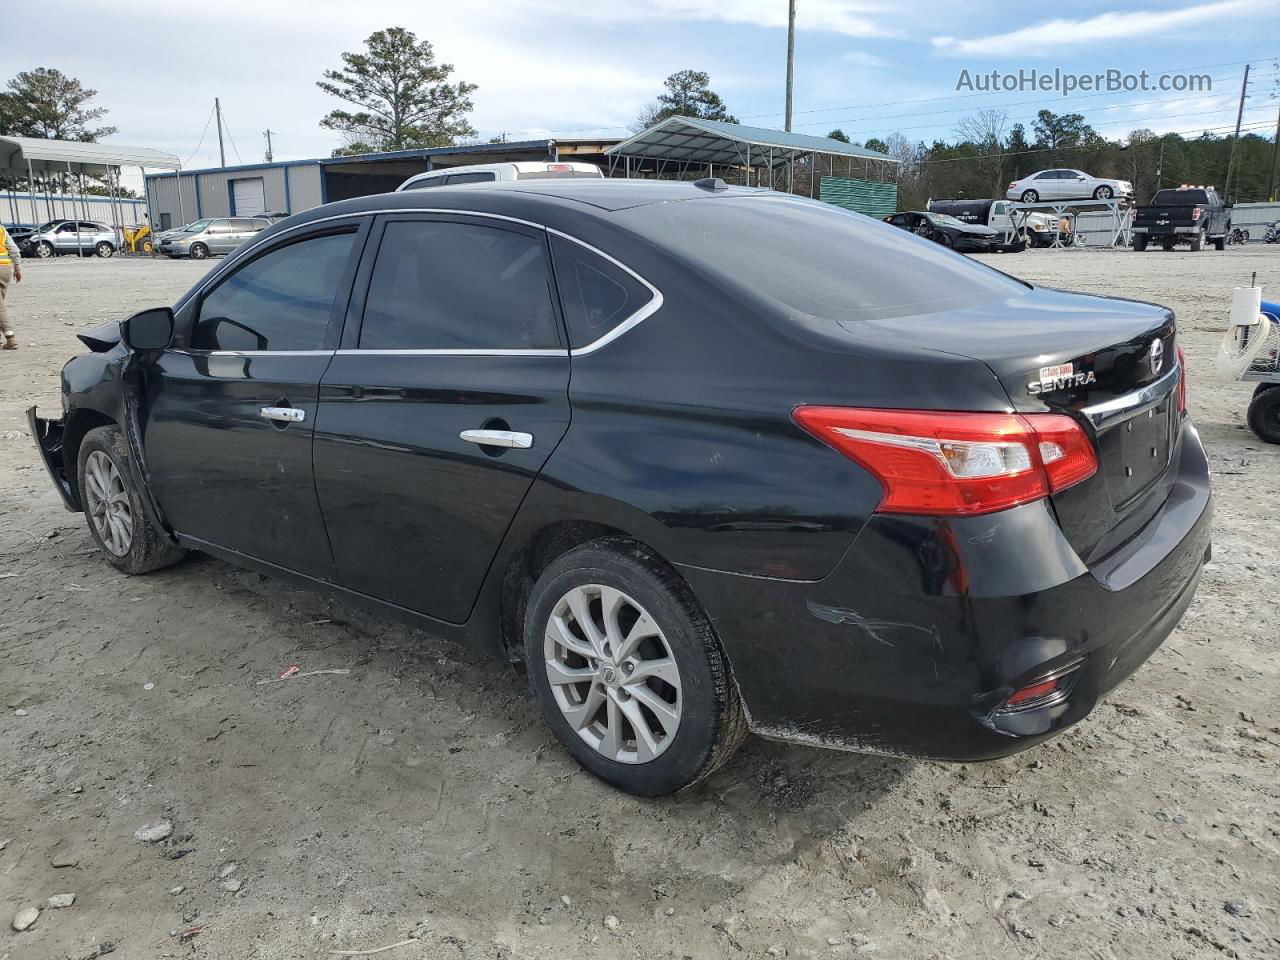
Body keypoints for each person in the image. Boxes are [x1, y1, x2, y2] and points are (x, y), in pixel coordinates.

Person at [0, 222, 21, 349]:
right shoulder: (1, 229)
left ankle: (10, 336)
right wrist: (17, 267)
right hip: (5, 269)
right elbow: (13, 248)